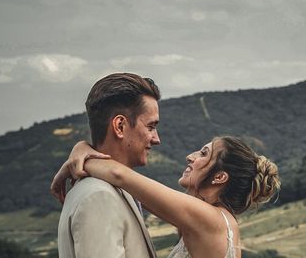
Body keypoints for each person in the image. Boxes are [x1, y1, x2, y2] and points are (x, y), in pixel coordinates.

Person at [51, 135, 280, 258]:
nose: (190, 157)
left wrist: (79, 155)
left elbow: (119, 176)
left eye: (203, 153)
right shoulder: (221, 222)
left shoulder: (210, 219)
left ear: (220, 177)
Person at [56, 73, 161, 258]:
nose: (156, 139)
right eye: (151, 127)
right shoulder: (98, 196)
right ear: (120, 126)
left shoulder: (116, 189)